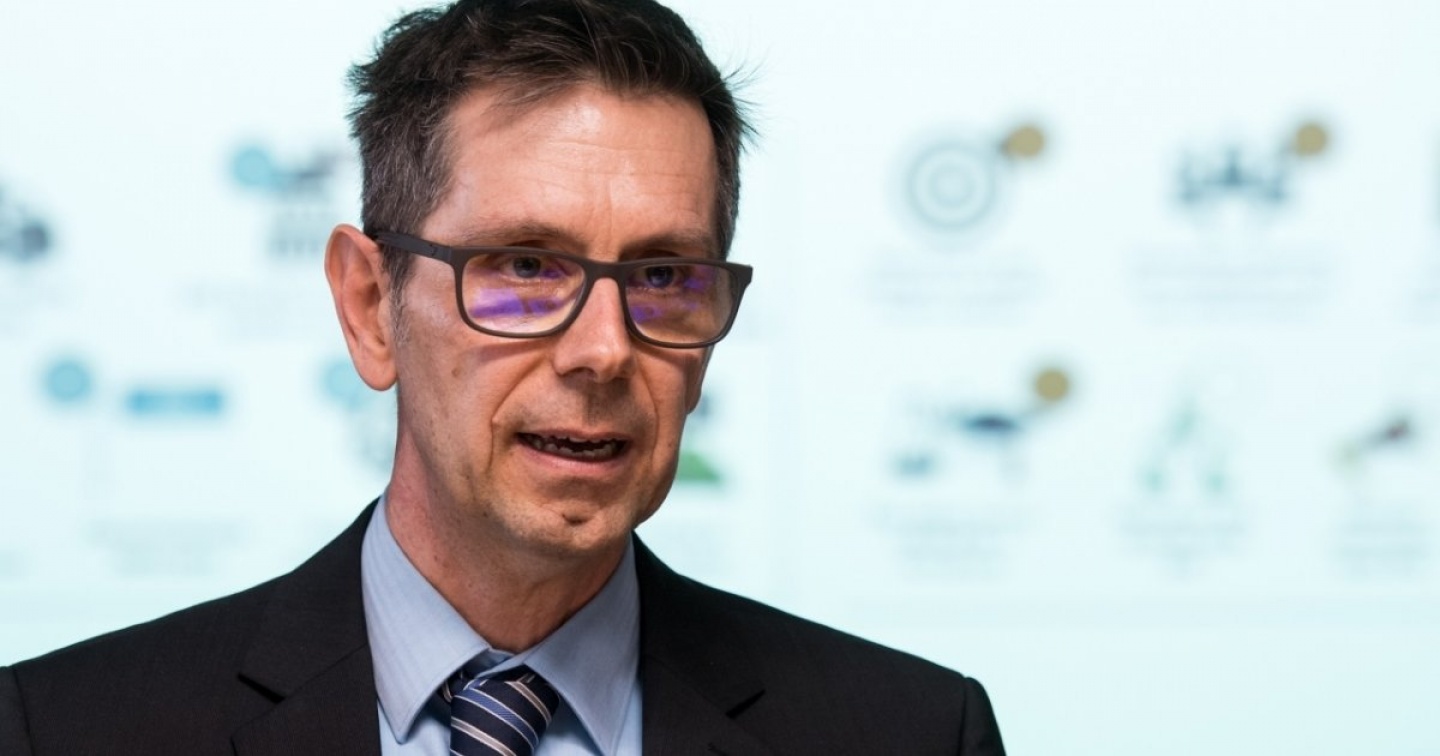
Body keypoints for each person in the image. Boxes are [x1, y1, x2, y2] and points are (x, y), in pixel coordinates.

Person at [0, 0, 1006, 753]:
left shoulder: (912, 733)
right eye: (525, 267)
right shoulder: (64, 730)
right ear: (371, 305)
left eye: (662, 277)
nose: (603, 350)